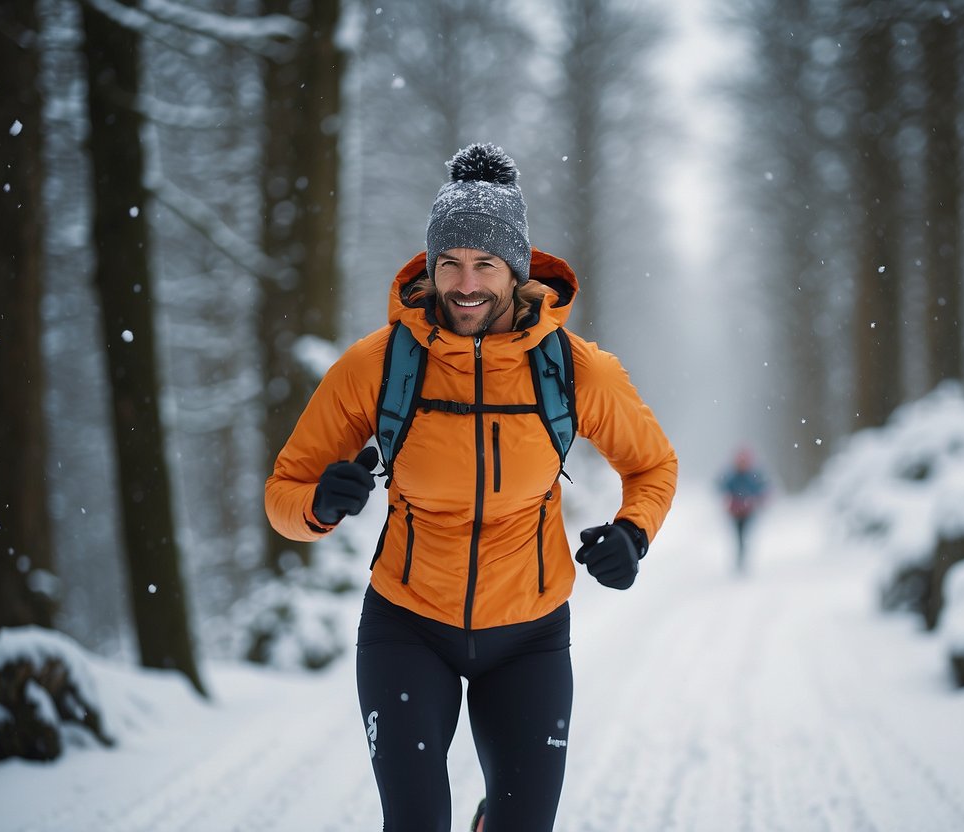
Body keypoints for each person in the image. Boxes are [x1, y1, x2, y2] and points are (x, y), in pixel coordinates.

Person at [265, 143, 677, 832]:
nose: (464, 283)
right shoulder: (378, 365)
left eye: (484, 263)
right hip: (407, 624)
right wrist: (316, 506)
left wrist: (633, 533)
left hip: (529, 632)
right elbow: (284, 490)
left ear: (514, 272)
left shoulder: (575, 371)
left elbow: (653, 466)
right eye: (449, 263)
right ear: (430, 268)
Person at [718, 447, 770, 573]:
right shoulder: (732, 476)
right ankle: (740, 557)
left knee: (745, 535)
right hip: (735, 513)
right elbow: (721, 486)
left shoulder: (753, 476)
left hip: (749, 511)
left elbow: (762, 488)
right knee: (739, 536)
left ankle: (743, 557)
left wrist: (757, 499)